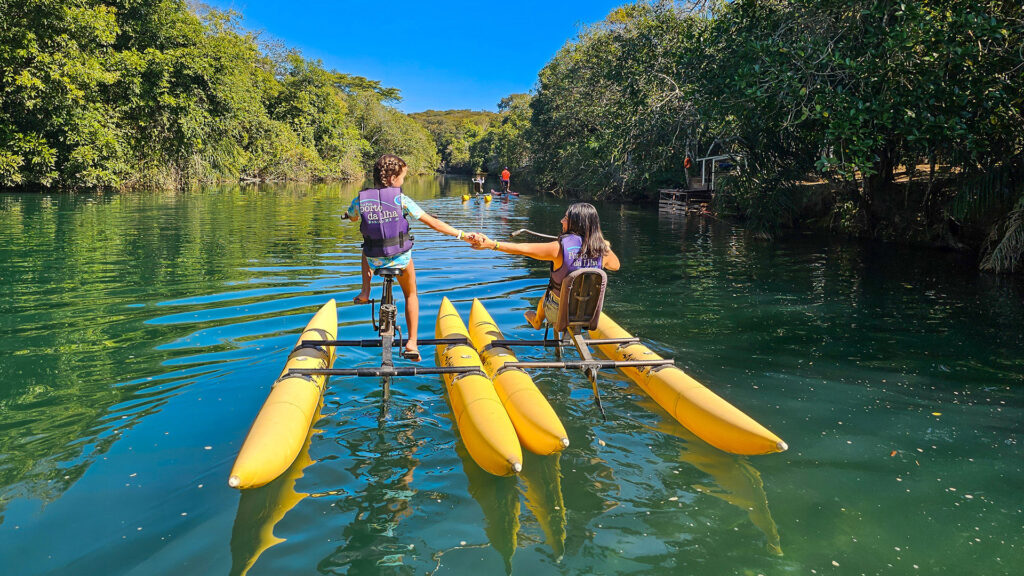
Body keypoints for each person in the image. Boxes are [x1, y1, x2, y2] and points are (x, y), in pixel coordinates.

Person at [344, 154, 469, 361]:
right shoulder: (401, 200)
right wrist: (460, 234)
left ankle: (365, 291)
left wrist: (351, 215)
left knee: (365, 248)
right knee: (411, 295)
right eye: (402, 177)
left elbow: (354, 216)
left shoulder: (360, 200)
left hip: (375, 260)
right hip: (400, 260)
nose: (403, 181)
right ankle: (412, 342)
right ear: (393, 178)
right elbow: (432, 222)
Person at [466, 202, 619, 329]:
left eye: (566, 218)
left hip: (559, 313)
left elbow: (523, 249)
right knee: (554, 293)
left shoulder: (558, 248)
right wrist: (606, 247)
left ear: (576, 223)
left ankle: (537, 321)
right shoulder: (603, 250)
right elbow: (615, 266)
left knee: (549, 293)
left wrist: (491, 244)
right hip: (589, 311)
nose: (562, 221)